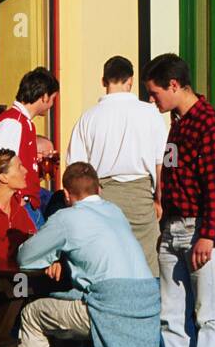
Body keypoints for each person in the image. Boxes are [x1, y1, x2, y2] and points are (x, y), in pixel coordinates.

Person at [1, 163, 160, 347]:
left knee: (32, 313)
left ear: (66, 194)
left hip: (109, 310)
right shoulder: (115, 211)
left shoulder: (67, 217)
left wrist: (54, 255)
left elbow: (27, 257)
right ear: (99, 188)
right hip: (146, 308)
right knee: (68, 317)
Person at [143, 53, 215, 347]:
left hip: (197, 228)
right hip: (173, 227)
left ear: (174, 85)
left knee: (207, 313)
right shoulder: (178, 124)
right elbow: (175, 171)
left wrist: (208, 236)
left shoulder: (209, 125)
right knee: (171, 312)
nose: (152, 100)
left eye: (155, 92)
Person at [65, 55, 169, 277]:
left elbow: (74, 168)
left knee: (107, 262)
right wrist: (160, 198)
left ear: (103, 81)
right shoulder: (150, 113)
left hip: (101, 195)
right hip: (141, 196)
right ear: (130, 81)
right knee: (145, 265)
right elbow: (162, 162)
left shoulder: (88, 118)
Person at [0, 67, 60, 227]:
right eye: (53, 98)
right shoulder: (12, 123)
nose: (52, 104)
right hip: (19, 206)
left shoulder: (24, 123)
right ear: (45, 96)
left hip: (29, 204)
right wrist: (12, 203)